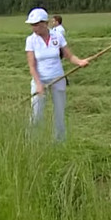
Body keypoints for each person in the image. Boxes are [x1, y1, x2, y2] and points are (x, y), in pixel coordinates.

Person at [24, 7, 89, 142]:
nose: (34, 28)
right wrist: (38, 84)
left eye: (36, 24)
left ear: (44, 23)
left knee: (59, 113)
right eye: (32, 25)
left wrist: (80, 62)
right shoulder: (30, 40)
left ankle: (59, 142)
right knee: (36, 114)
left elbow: (69, 56)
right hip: (39, 80)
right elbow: (32, 65)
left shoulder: (57, 36)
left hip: (58, 78)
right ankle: (33, 142)